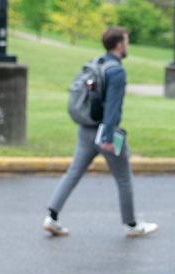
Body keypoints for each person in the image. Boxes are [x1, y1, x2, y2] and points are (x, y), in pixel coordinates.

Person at [43, 26, 158, 238]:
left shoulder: (97, 64)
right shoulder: (116, 71)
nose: (127, 45)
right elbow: (112, 107)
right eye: (126, 41)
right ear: (119, 44)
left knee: (73, 173)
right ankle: (132, 225)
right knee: (123, 178)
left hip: (85, 130)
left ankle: (51, 216)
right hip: (105, 132)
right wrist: (107, 138)